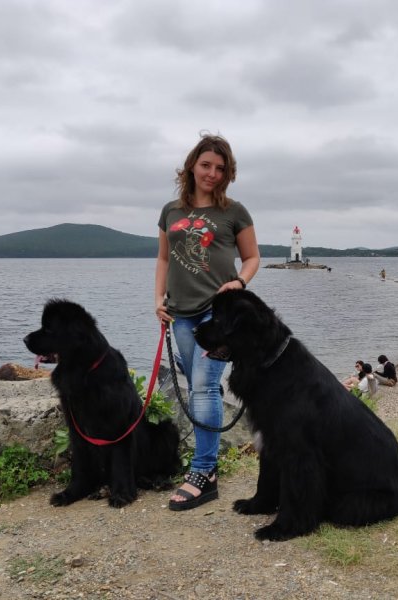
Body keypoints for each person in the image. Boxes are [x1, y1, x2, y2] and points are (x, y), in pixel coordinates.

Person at [155, 134, 260, 511]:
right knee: (200, 384)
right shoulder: (170, 211)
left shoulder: (234, 212)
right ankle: (205, 467)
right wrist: (158, 300)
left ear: (227, 173)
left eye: (220, 168)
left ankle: (203, 472)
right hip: (180, 314)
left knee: (203, 385)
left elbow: (252, 258)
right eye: (206, 165)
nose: (212, 173)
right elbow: (165, 259)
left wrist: (240, 281)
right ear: (191, 167)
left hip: (219, 315)